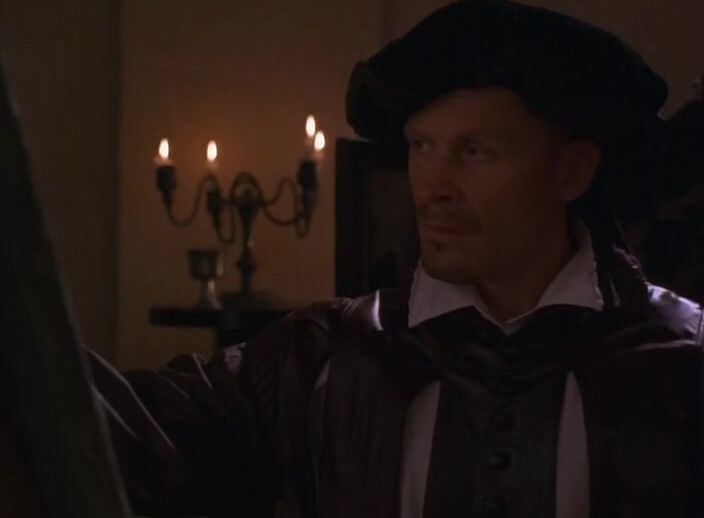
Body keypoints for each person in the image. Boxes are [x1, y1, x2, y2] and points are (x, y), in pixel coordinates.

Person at [91, 1, 704, 517]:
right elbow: (113, 429)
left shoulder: (679, 361)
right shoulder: (322, 358)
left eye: (475, 152)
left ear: (571, 171)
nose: (433, 186)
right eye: (422, 147)